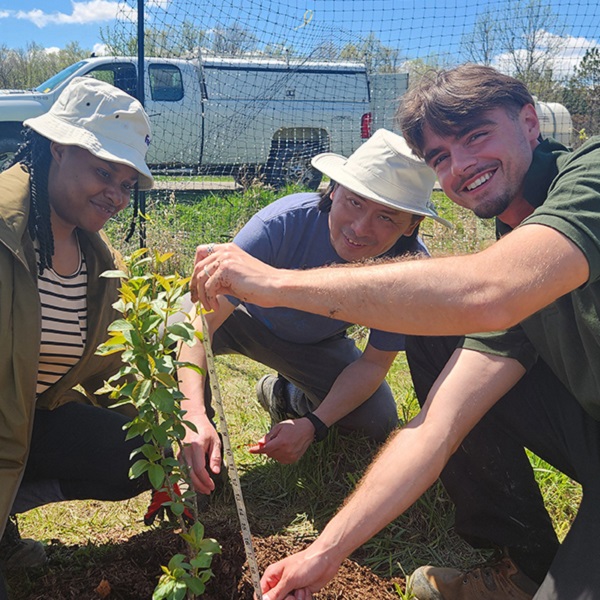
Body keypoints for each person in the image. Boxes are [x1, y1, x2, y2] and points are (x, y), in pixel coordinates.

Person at [192, 64, 600, 600]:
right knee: (440, 333)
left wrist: (274, 284)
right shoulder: (511, 242)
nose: (462, 166)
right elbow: (438, 425)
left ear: (529, 122)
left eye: (476, 135)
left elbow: (491, 288)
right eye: (440, 157)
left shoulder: (590, 176)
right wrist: (324, 553)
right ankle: (524, 567)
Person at [177, 128, 450, 495]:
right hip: (241, 319)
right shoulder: (282, 223)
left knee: (376, 418)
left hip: (317, 342)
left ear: (411, 225)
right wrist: (192, 414)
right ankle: (202, 470)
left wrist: (313, 425)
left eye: (387, 217)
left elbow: (372, 364)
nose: (360, 228)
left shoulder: (410, 270)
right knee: (174, 333)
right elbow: (203, 323)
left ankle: (284, 395)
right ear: (334, 190)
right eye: (354, 202)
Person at [0, 76, 157, 595]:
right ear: (57, 149)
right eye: (102, 172)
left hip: (24, 423)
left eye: (127, 183)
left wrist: (169, 439)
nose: (115, 195)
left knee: (133, 454)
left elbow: (109, 369)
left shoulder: (97, 259)